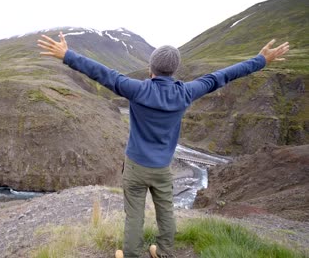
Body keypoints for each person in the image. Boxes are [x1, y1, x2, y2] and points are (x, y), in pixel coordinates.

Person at [37, 32, 289, 258]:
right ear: (174, 70)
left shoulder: (135, 89)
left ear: (151, 68)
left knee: (134, 214)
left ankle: (132, 254)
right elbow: (221, 77)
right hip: (162, 168)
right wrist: (261, 60)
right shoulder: (186, 92)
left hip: (136, 166)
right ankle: (165, 252)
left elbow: (102, 73)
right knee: (165, 211)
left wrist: (67, 54)